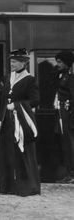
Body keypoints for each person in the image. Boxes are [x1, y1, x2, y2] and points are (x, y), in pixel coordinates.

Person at [0, 48, 40, 196]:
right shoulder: (7, 78)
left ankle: (26, 187)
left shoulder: (30, 80)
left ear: (24, 63)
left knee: (22, 152)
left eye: (15, 62)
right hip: (7, 121)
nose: (12, 64)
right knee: (8, 152)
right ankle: (8, 186)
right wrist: (0, 118)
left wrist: (16, 105)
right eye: (11, 61)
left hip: (21, 121)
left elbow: (35, 101)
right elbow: (3, 100)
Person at [54, 50, 74, 183]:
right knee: (65, 143)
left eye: (60, 62)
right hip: (62, 112)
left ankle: (72, 173)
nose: (58, 64)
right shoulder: (63, 75)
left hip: (68, 114)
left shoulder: (71, 78)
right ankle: (69, 172)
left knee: (70, 143)